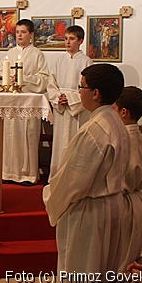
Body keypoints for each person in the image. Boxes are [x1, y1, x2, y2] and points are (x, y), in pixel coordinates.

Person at [43, 63, 129, 283]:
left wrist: (50, 195)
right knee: (102, 274)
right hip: (111, 205)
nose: (79, 92)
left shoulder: (94, 130)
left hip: (89, 212)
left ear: (96, 93)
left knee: (80, 277)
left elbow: (74, 181)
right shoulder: (116, 122)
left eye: (81, 87)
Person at [2, 19, 49, 184]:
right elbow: (2, 74)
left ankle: (28, 174)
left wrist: (24, 78)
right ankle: (8, 173)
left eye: (23, 32)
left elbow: (44, 79)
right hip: (12, 102)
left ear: (31, 34)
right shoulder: (10, 53)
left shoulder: (37, 54)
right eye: (17, 32)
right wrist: (7, 79)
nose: (19, 35)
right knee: (9, 137)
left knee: (27, 136)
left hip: (28, 102)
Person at [114, 86, 142, 271]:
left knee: (121, 261)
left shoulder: (125, 140)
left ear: (124, 112)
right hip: (137, 202)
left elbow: (125, 176)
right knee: (130, 255)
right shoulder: (137, 136)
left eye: (114, 109)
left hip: (125, 204)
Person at [46, 25, 93, 180]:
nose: (67, 42)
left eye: (71, 39)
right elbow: (51, 84)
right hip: (61, 108)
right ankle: (57, 177)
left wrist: (71, 99)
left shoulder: (87, 62)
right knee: (60, 145)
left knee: (75, 144)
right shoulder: (59, 61)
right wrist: (57, 97)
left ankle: (73, 179)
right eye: (66, 38)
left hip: (76, 110)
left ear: (80, 41)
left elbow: (89, 89)